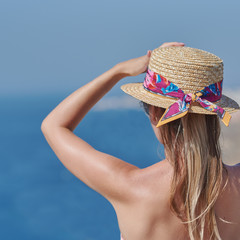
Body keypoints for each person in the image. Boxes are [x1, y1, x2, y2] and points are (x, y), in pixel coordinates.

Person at [41, 42, 240, 240]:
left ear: (153, 113)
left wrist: (118, 71)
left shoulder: (130, 187)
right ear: (213, 114)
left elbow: (54, 126)